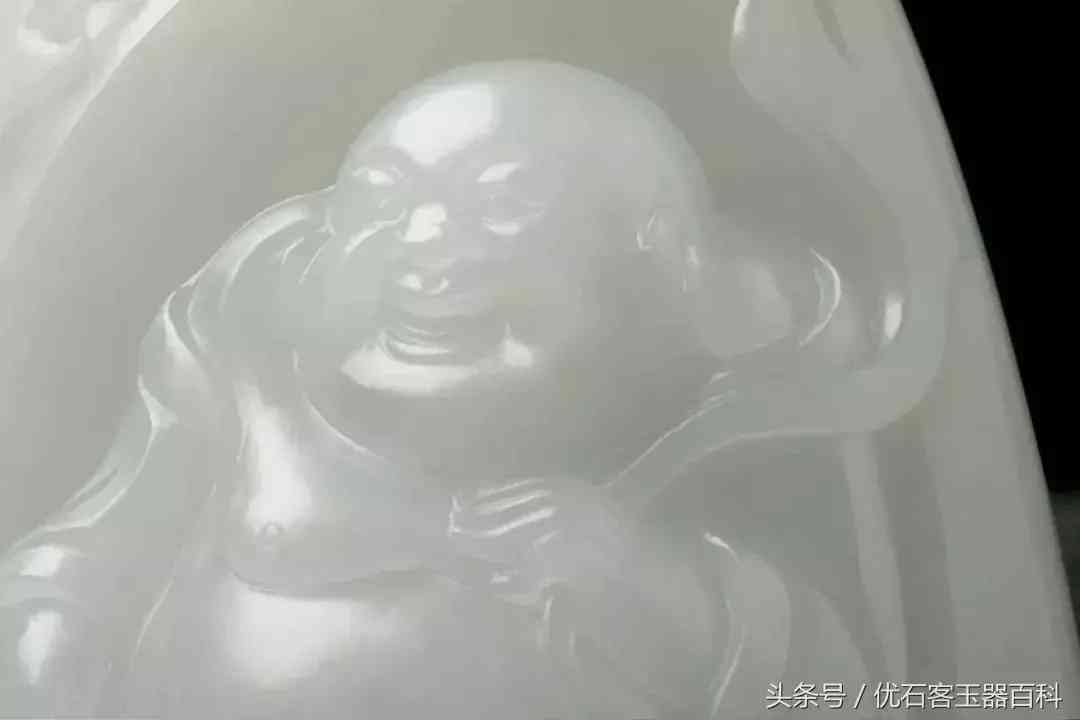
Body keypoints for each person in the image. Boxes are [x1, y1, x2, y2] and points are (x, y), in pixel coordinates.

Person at [0, 61, 868, 719]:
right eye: (382, 199)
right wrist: (52, 646)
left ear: (648, 258)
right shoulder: (251, 333)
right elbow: (97, 543)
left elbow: (835, 691)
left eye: (502, 209)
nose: (421, 248)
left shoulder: (728, 417)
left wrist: (633, 582)